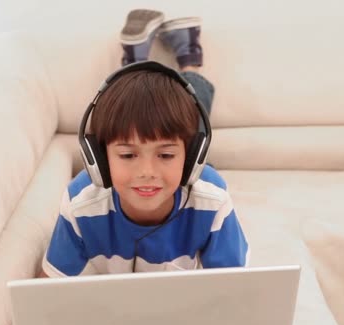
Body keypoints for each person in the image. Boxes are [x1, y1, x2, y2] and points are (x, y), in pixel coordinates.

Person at [39, 9, 249, 277]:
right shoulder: (81, 201)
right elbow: (47, 290)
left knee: (186, 119)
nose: (146, 171)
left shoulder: (209, 196)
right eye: (127, 155)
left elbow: (235, 288)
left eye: (165, 156)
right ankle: (156, 63)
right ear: (101, 158)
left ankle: (178, 65)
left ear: (191, 157)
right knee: (157, 124)